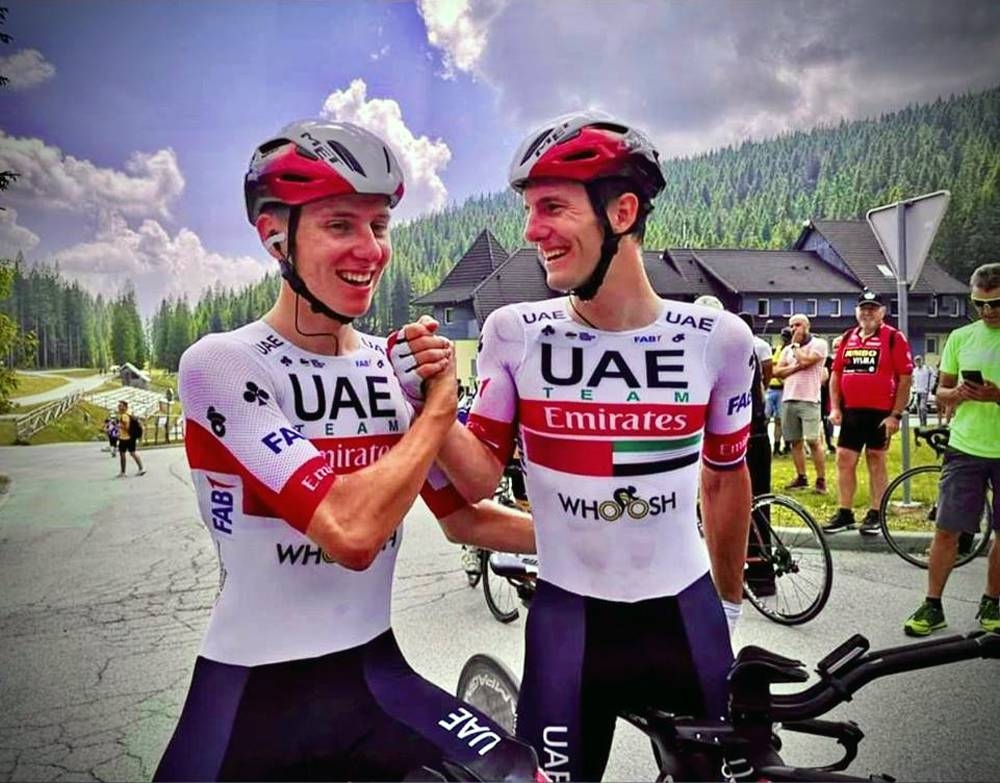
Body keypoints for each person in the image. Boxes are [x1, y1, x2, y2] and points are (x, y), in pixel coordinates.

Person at [154, 120, 540, 782]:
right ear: (275, 235)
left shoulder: (389, 364)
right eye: (341, 225)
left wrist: (611, 549)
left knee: (521, 773)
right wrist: (439, 406)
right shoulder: (222, 363)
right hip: (250, 696)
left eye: (380, 225)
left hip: (372, 674)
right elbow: (351, 532)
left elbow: (469, 503)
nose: (370, 249)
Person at [393, 111, 754, 782]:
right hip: (569, 624)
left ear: (622, 211)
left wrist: (728, 606)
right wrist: (428, 401)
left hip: (687, 616)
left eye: (551, 207)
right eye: (529, 210)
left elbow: (726, 479)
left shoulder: (717, 339)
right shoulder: (514, 331)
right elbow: (473, 481)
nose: (531, 232)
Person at [903, 263, 1000, 636]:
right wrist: (957, 393)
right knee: (947, 530)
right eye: (980, 305)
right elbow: (940, 392)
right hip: (965, 447)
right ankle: (932, 606)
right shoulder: (961, 337)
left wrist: (997, 395)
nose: (988, 312)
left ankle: (992, 600)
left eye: (996, 304)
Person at [824, 290, 913, 535]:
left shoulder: (893, 337)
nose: (867, 313)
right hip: (852, 411)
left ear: (882, 312)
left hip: (881, 412)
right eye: (863, 308)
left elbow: (905, 378)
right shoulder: (848, 337)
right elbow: (836, 375)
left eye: (872, 309)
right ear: (857, 312)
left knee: (876, 460)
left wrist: (895, 414)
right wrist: (834, 406)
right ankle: (845, 512)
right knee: (844, 459)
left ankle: (876, 512)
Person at [773, 314, 829, 493]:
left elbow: (807, 360)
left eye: (797, 325)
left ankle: (821, 479)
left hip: (810, 398)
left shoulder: (818, 344)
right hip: (789, 397)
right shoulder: (787, 350)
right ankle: (801, 476)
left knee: (812, 440)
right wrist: (796, 367)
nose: (793, 329)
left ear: (807, 326)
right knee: (794, 441)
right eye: (791, 326)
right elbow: (777, 372)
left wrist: (796, 346)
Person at [767, 327, 792, 455]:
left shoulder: (791, 351)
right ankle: (767, 445)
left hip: (782, 389)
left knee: (780, 421)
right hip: (771, 388)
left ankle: (778, 447)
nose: (784, 339)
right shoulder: (777, 349)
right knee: (766, 419)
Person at [115, 400, 146, 477]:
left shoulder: (124, 416)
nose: (119, 407)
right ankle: (141, 468)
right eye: (119, 405)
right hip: (130, 437)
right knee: (133, 453)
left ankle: (123, 472)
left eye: (121, 406)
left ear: (125, 407)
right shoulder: (129, 414)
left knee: (122, 454)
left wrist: (119, 426)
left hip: (125, 438)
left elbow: (127, 427)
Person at [911, 355, 935, 429]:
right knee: (918, 409)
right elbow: (912, 380)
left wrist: (930, 387)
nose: (918, 362)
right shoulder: (914, 370)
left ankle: (924, 423)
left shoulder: (927, 369)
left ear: (922, 361)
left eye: (919, 360)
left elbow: (933, 377)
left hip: (924, 391)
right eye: (916, 361)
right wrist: (913, 388)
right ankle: (921, 423)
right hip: (916, 391)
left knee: (922, 407)